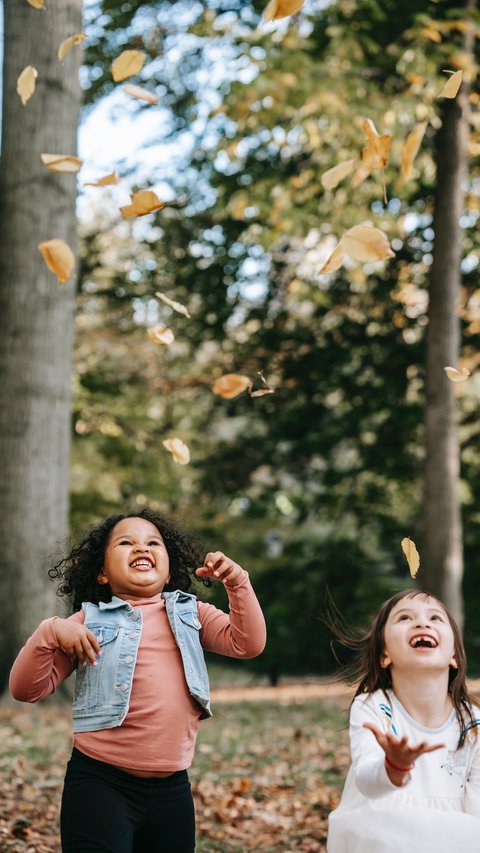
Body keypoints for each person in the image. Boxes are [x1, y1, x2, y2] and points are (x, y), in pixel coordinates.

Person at [9, 508, 266, 853]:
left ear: (170, 567)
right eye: (126, 542)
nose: (141, 548)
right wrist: (51, 630)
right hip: (100, 785)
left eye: (153, 543)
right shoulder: (86, 621)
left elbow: (247, 643)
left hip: (172, 793)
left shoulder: (192, 613)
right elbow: (26, 689)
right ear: (101, 572)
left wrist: (238, 582)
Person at [326, 589, 480, 853]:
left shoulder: (473, 724)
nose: (422, 623)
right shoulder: (374, 707)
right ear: (384, 655)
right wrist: (393, 767)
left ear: (453, 655)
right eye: (404, 618)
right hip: (380, 829)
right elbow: (366, 780)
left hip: (452, 836)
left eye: (435, 618)